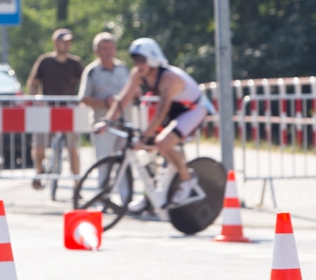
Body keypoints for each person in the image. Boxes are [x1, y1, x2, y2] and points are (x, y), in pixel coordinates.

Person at [98, 37, 207, 215]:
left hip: (193, 109)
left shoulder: (168, 78)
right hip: (175, 108)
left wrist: (142, 137)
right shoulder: (137, 73)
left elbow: (161, 113)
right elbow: (123, 99)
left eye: (142, 60)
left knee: (162, 143)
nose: (138, 64)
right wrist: (107, 121)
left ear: (152, 59)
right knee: (148, 151)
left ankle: (187, 179)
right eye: (135, 60)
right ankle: (151, 194)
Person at [26, 28, 83, 190]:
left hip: (68, 111)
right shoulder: (45, 61)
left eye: (68, 41)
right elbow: (32, 82)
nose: (66, 44)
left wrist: (81, 101)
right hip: (47, 109)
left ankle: (77, 184)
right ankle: (39, 171)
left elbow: (85, 84)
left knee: (73, 149)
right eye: (63, 41)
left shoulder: (75, 63)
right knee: (39, 146)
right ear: (55, 43)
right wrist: (37, 98)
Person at [79, 32, 131, 160]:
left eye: (111, 48)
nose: (108, 52)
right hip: (102, 123)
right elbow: (84, 98)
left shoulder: (123, 68)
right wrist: (106, 102)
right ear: (96, 51)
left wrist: (135, 93)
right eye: (104, 48)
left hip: (124, 122)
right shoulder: (92, 71)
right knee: (104, 162)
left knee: (125, 165)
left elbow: (132, 89)